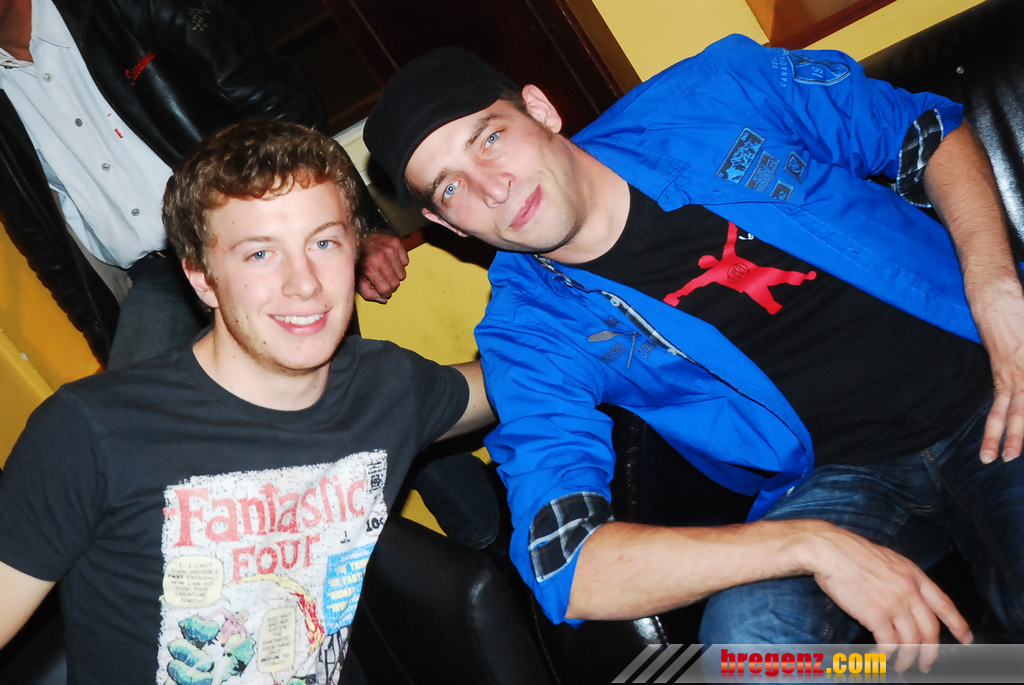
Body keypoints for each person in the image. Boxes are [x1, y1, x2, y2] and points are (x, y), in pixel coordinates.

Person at [363, 42, 1024, 670]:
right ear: (448, 226)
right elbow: (567, 563)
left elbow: (923, 129)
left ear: (539, 110)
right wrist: (807, 543)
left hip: (991, 380)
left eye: (489, 138)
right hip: (842, 482)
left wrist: (994, 283)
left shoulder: (717, 93)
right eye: (451, 189)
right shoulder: (528, 330)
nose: (493, 189)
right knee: (749, 646)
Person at [0, 119, 493, 684]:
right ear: (202, 278)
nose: (304, 283)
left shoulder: (383, 384)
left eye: (324, 243)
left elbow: (506, 383)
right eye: (260, 254)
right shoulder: (91, 432)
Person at [0, 0, 407, 369]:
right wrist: (104, 335)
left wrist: (360, 225)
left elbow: (276, 104)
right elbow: (44, 241)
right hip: (155, 276)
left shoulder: (124, 8)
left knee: (325, 395)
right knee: (141, 414)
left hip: (260, 239)